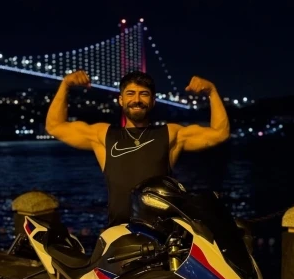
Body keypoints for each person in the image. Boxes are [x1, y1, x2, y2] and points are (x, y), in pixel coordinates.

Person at [45, 70, 230, 226]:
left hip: (162, 235)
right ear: (121, 100)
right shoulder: (103, 135)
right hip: (119, 233)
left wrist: (212, 92)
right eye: (130, 93)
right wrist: (65, 85)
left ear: (153, 101)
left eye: (144, 94)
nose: (137, 99)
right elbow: (54, 126)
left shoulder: (170, 134)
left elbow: (220, 133)